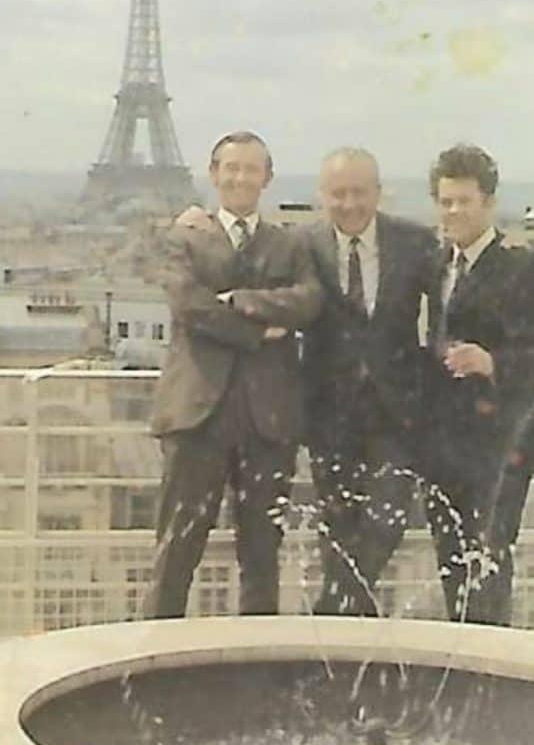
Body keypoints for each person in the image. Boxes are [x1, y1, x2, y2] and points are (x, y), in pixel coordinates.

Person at [147, 131, 323, 618]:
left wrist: (242, 302)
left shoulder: (289, 243)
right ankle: (148, 668)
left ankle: (256, 673)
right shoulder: (183, 237)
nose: (241, 178)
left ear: (267, 178)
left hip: (267, 422)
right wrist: (258, 331)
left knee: (262, 556)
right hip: (198, 417)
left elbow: (309, 301)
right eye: (232, 168)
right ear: (213, 174)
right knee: (176, 551)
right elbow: (189, 306)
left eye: (251, 169)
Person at [302, 147, 438, 615]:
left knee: (388, 517)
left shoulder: (416, 243)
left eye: (360, 192)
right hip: (329, 413)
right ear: (323, 196)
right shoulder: (303, 244)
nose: (349, 204)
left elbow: (453, 302)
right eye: (338, 194)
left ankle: (331, 612)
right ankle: (346, 635)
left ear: (378, 193)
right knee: (337, 525)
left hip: (395, 410)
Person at [423, 143, 534, 624]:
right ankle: (463, 668)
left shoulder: (520, 268)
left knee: (488, 559)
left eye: (463, 201)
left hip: (498, 443)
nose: (453, 211)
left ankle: (487, 675)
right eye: (445, 201)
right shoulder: (433, 265)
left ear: (488, 202)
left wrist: (493, 362)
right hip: (441, 441)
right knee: (452, 561)